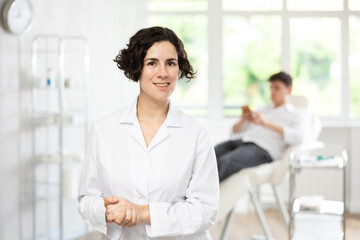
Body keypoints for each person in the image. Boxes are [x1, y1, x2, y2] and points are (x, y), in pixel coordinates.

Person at [77, 26, 219, 240]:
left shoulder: (196, 133)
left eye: (171, 63)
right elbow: (87, 198)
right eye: (152, 63)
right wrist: (108, 211)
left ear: (179, 69)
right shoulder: (103, 130)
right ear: (137, 68)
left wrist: (144, 213)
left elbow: (205, 210)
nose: (163, 72)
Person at [215, 71, 309, 182]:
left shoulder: (296, 113)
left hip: (263, 149)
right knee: (209, 154)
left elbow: (299, 137)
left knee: (225, 162)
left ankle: (205, 197)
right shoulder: (263, 109)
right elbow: (234, 132)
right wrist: (243, 120)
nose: (272, 92)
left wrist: (267, 123)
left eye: (277, 88)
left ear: (289, 90)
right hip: (242, 141)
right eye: (271, 88)